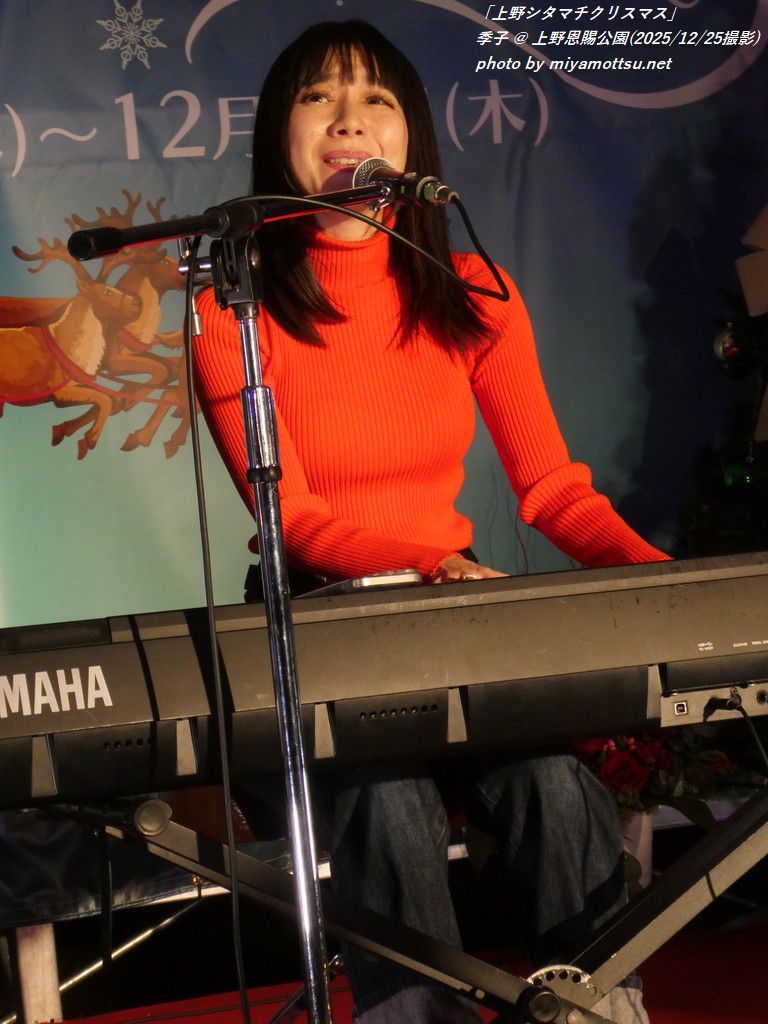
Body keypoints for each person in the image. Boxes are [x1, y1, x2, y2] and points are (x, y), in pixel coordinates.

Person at [194, 19, 669, 1023]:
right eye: (319, 97)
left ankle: (601, 1007)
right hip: (321, 619)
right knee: (389, 797)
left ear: (412, 139)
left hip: (451, 616)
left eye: (377, 100)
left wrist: (666, 584)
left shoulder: (477, 291)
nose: (349, 121)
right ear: (279, 132)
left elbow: (553, 491)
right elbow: (295, 517)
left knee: (552, 783)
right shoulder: (231, 309)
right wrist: (434, 565)